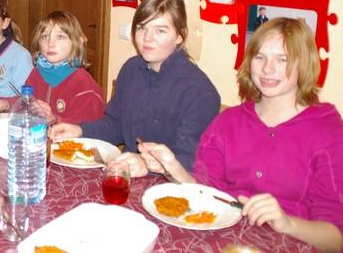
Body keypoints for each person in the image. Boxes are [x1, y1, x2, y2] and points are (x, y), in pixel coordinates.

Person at [137, 18, 343, 252]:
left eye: (282, 59)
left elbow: (336, 239)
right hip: (224, 242)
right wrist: (172, 167)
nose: (267, 69)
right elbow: (206, 192)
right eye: (260, 57)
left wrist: (288, 223)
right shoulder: (228, 122)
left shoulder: (328, 130)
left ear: (304, 64)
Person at [50, 0, 220, 172]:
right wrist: (80, 131)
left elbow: (191, 160)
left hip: (169, 183)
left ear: (180, 36)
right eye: (141, 28)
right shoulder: (132, 69)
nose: (147, 38)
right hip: (126, 171)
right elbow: (115, 125)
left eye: (160, 30)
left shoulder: (200, 92)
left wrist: (146, 163)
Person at [0, 11, 105, 125]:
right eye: (45, 36)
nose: (50, 44)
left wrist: (54, 119)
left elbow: (90, 129)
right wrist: (6, 104)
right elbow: (27, 101)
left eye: (60, 37)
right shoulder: (37, 73)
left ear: (77, 42)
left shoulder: (84, 84)